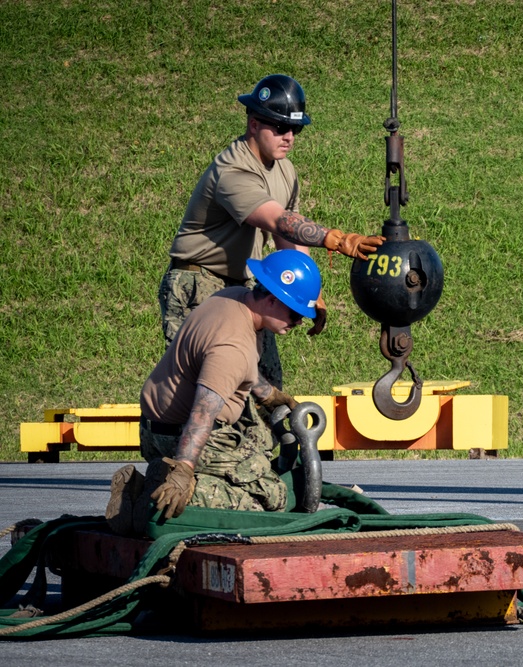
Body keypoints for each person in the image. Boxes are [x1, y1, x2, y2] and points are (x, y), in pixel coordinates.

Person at [159, 73, 384, 389]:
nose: (289, 136)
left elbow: (287, 238)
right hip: (198, 284)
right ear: (254, 124)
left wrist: (311, 294)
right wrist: (338, 239)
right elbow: (278, 221)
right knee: (209, 387)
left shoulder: (286, 170)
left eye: (296, 129)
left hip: (244, 287)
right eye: (280, 128)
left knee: (267, 386)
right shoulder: (233, 170)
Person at [106, 251, 323, 534]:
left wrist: (267, 393)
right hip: (185, 435)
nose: (298, 323)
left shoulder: (232, 298)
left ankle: (171, 475)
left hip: (154, 429)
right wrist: (184, 470)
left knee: (258, 446)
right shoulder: (233, 348)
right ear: (272, 299)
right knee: (270, 502)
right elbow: (202, 414)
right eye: (295, 313)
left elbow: (232, 365)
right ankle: (147, 494)